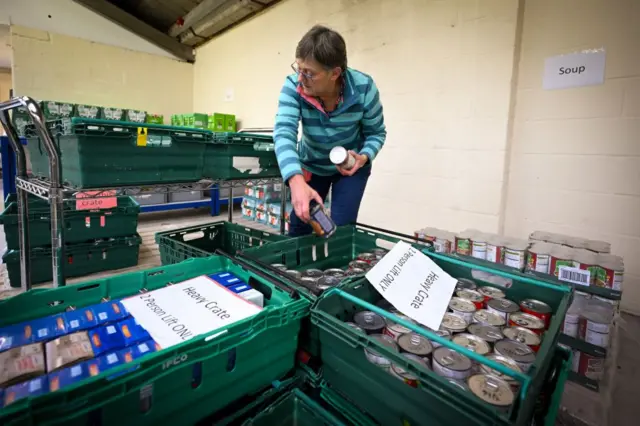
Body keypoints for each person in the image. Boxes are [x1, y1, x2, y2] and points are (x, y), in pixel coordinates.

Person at [274, 25, 387, 237]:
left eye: (309, 73)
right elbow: (283, 133)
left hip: (350, 168)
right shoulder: (293, 86)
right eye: (298, 69)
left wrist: (363, 157)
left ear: (334, 73)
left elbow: (376, 133)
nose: (301, 78)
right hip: (311, 164)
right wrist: (295, 180)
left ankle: (335, 269)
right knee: (300, 225)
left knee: (341, 232)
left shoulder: (364, 88)